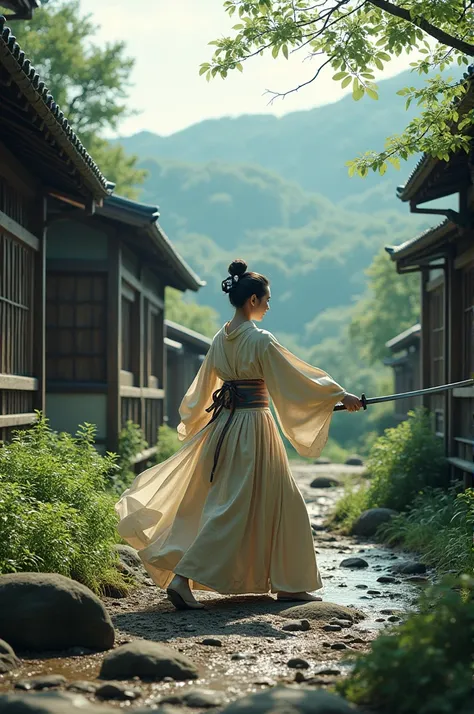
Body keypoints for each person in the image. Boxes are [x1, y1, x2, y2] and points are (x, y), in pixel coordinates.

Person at [115, 259, 362, 610]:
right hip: (253, 429)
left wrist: (196, 421)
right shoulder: (259, 340)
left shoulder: (220, 339)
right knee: (235, 510)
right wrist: (338, 395)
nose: (269, 305)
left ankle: (289, 583)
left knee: (258, 503)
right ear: (252, 302)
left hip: (224, 427)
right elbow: (295, 377)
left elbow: (203, 388)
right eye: (267, 299)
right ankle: (184, 578)